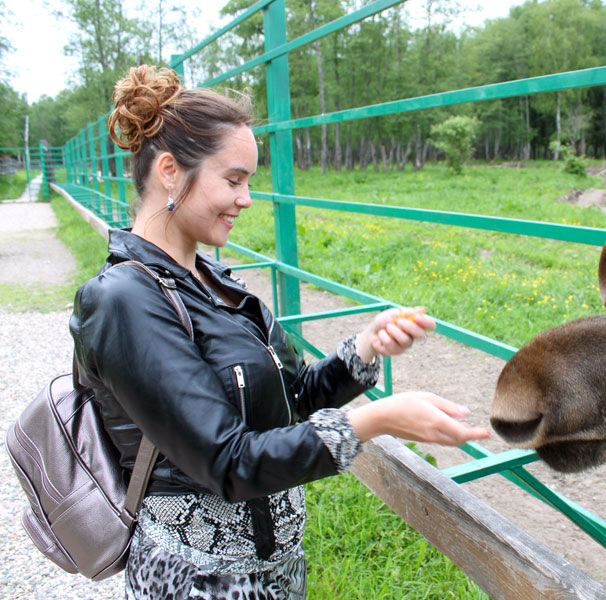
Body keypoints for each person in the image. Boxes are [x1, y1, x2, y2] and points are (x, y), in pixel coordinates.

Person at [70, 64, 490, 599]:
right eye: (233, 179)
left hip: (273, 572)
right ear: (170, 171)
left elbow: (290, 399)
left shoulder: (213, 280)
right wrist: (375, 420)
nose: (246, 198)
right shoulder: (122, 301)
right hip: (197, 582)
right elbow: (228, 462)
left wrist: (364, 348)